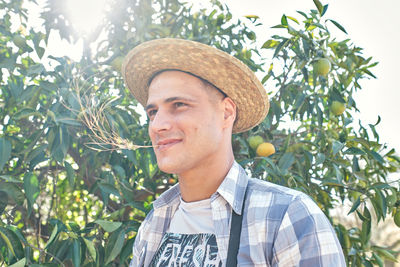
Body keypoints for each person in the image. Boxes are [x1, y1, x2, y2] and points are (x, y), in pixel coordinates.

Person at [122, 38, 346, 266]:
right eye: (152, 111)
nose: (157, 125)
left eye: (179, 105)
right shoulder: (155, 222)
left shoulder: (286, 217)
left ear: (227, 113)